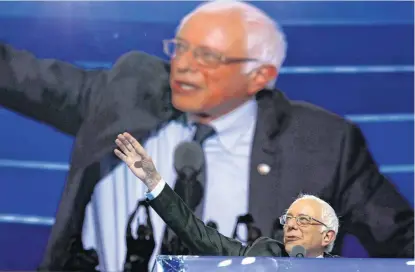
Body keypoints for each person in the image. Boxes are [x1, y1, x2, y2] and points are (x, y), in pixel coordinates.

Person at [0, 0, 413, 270]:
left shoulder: (324, 144)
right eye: (180, 48)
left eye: (207, 57)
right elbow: (23, 77)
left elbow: (402, 239)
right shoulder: (126, 91)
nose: (183, 66)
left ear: (260, 76)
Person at [113, 132, 339, 258]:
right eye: (288, 219)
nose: (291, 226)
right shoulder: (262, 254)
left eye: (303, 220)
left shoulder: (347, 270)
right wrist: (152, 180)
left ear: (327, 236)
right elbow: (197, 234)